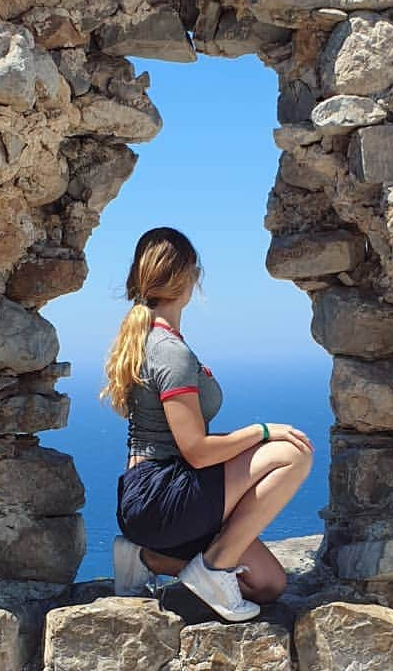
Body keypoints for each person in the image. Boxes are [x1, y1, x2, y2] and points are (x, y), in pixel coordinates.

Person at [100, 226, 315, 622]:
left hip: (156, 498)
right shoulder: (169, 351)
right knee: (291, 453)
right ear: (189, 277)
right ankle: (214, 569)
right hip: (160, 498)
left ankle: (146, 558)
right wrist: (262, 432)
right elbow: (197, 452)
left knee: (267, 585)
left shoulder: (148, 339)